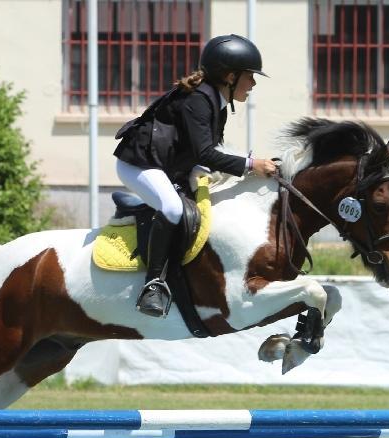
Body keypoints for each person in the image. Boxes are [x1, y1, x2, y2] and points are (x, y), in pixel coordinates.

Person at [113, 34, 279, 318]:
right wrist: (252, 164)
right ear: (230, 76)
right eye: (250, 77)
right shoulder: (199, 100)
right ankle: (153, 285)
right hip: (139, 164)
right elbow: (206, 154)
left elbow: (207, 152)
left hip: (167, 164)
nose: (253, 84)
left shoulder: (217, 102)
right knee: (173, 208)